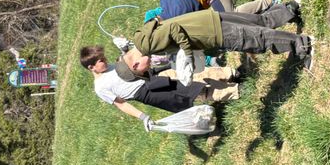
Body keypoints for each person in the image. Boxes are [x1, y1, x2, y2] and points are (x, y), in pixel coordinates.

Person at [128, 7, 314, 89]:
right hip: (207, 20)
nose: (150, 68)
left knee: (258, 39)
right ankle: (290, 9)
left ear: (135, 65)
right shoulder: (139, 35)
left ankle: (303, 45)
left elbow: (172, 29)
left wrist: (187, 53)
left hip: (212, 32)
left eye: (145, 71)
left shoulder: (147, 45)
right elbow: (160, 21)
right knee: (256, 23)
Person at [81, 44, 240, 130]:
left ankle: (230, 73)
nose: (105, 60)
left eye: (103, 57)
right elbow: (121, 104)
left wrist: (125, 50)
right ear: (91, 67)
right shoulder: (100, 87)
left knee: (191, 74)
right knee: (196, 92)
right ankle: (233, 91)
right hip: (149, 93)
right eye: (101, 60)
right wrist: (143, 117)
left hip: (153, 76)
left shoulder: (110, 66)